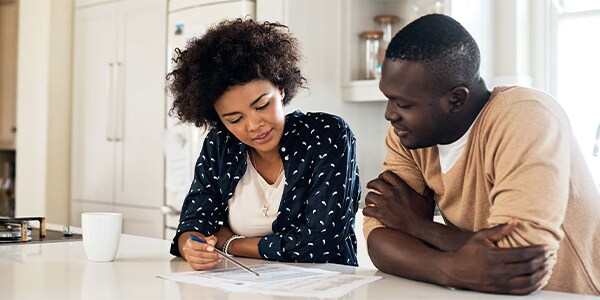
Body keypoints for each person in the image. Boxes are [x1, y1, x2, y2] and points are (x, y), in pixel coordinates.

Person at [363, 14, 600, 295]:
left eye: (403, 104)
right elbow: (379, 237)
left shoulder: (525, 116)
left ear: (456, 99)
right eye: (389, 98)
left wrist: (419, 227)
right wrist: (449, 268)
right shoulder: (409, 135)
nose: (390, 114)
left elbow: (520, 258)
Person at [167, 18, 361, 270]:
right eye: (234, 119)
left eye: (261, 105)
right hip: (237, 286)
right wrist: (191, 247)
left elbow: (320, 243)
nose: (253, 125)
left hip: (322, 288)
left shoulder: (326, 135)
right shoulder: (220, 145)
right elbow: (193, 223)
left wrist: (230, 243)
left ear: (280, 89)